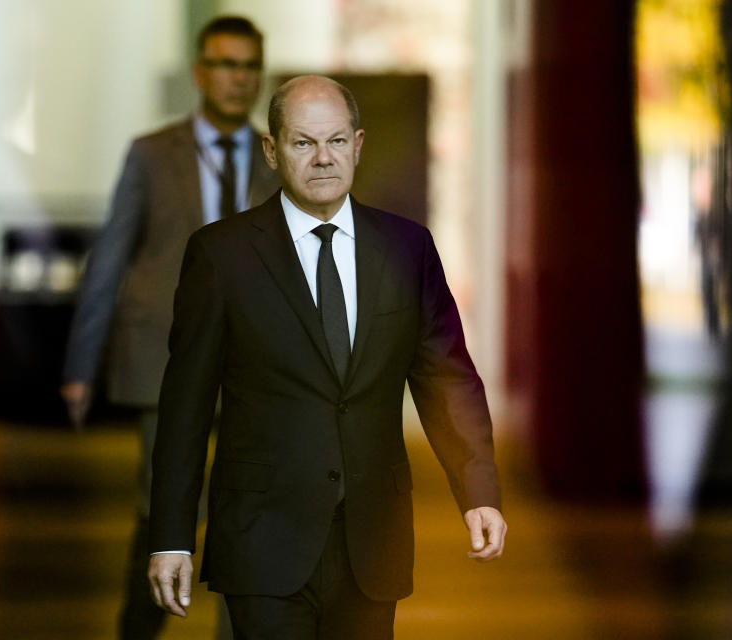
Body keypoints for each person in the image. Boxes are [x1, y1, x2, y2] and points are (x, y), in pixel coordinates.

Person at [147, 75, 507, 639]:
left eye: (336, 141)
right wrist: (171, 536)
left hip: (372, 539)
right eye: (302, 142)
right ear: (272, 150)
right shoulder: (222, 256)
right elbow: (185, 407)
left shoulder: (407, 249)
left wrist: (478, 492)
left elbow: (447, 379)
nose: (322, 158)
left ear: (358, 146)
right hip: (262, 537)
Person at [60, 16, 278, 640]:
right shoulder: (153, 155)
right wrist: (81, 365)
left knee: (248, 515)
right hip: (165, 359)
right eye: (225, 64)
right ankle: (139, 629)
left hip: (257, 370)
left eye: (248, 65)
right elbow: (110, 258)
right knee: (166, 511)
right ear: (200, 72)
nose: (237, 78)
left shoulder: (277, 158)